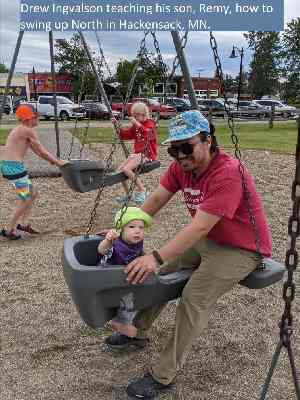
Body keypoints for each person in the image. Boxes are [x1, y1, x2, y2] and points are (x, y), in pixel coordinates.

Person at [104, 110, 272, 399]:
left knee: (194, 296)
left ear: (208, 140)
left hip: (242, 248)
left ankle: (163, 375)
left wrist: (154, 256)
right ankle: (138, 330)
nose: (180, 155)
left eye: (187, 146)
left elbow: (198, 227)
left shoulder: (228, 172)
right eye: (174, 149)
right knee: (161, 276)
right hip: (211, 238)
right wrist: (120, 227)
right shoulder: (182, 168)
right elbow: (156, 198)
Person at [0, 104, 67, 239]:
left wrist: (52, 160)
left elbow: (37, 151)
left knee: (33, 193)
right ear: (28, 118)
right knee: (25, 199)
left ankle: (23, 224)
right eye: (36, 117)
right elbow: (41, 149)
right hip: (13, 167)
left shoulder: (22, 130)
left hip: (11, 166)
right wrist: (59, 162)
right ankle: (9, 229)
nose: (38, 119)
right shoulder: (26, 130)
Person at [98, 206, 152, 339]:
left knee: (132, 298)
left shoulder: (136, 243)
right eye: (132, 227)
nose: (137, 231)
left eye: (141, 227)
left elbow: (139, 255)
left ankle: (126, 321)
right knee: (127, 301)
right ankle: (120, 322)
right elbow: (101, 250)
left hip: (126, 277)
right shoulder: (115, 242)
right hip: (108, 276)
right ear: (121, 230)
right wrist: (107, 240)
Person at [112, 101, 158, 205]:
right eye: (134, 116)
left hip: (147, 155)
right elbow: (125, 136)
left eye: (137, 116)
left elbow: (148, 134)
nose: (135, 118)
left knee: (126, 169)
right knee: (119, 171)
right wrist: (117, 126)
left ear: (144, 114)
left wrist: (137, 123)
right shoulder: (136, 126)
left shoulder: (150, 124)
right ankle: (128, 194)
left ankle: (142, 190)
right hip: (138, 154)